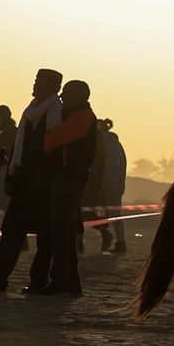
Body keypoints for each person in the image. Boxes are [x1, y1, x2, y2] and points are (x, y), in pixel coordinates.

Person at [0, 70, 63, 294]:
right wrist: (12, 176)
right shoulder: (31, 111)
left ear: (54, 86)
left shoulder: (57, 112)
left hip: (43, 185)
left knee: (45, 239)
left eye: (40, 82)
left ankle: (38, 282)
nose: (35, 85)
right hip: (23, 182)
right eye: (35, 80)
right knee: (11, 234)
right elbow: (19, 149)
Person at [38, 80, 100, 295]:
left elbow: (55, 139)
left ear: (79, 96)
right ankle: (71, 282)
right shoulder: (76, 116)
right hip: (68, 177)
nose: (63, 96)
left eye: (67, 93)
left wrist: (49, 139)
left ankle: (59, 282)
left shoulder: (82, 117)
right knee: (65, 230)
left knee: (61, 231)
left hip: (70, 179)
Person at [92, 118, 128, 255]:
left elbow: (102, 166)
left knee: (94, 212)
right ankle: (120, 242)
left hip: (106, 184)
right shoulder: (116, 144)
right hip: (117, 184)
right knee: (115, 214)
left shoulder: (102, 143)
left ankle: (113, 239)